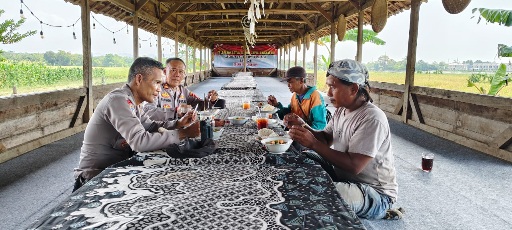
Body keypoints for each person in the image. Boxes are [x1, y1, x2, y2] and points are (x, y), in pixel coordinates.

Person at [285, 59, 399, 220]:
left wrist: (313, 144)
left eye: (333, 87)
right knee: (302, 157)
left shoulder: (372, 118)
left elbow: (354, 166)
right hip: (343, 176)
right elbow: (325, 139)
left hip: (374, 193)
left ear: (353, 88)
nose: (328, 93)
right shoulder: (341, 110)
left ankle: (380, 211)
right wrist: (302, 125)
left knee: (315, 197)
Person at [73, 57, 199, 191]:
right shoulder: (118, 100)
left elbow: (151, 127)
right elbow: (140, 142)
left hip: (117, 170)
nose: (159, 89)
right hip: (95, 179)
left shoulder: (135, 104)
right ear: (139, 79)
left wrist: (178, 123)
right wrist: (182, 134)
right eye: (156, 83)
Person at [143, 57, 219, 120]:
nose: (177, 75)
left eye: (181, 71)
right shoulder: (156, 89)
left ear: (184, 74)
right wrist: (175, 111)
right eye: (173, 70)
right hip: (161, 132)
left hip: (181, 129)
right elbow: (148, 111)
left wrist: (210, 99)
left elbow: (200, 105)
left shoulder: (183, 91)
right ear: (165, 71)